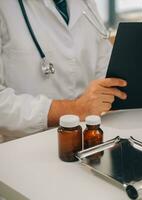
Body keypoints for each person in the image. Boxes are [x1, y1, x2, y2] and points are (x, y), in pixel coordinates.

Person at [0, 0, 127, 141]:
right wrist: (76, 109)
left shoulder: (85, 3)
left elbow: (104, 67)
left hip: (89, 137)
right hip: (27, 146)